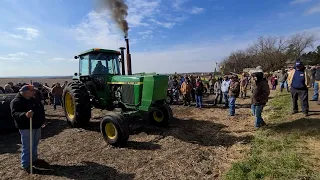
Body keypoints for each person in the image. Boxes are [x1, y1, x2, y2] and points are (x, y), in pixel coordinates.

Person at [10, 85, 47, 173]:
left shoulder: (32, 99)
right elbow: (14, 114)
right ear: (25, 91)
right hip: (26, 127)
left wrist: (42, 120)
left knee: (35, 143)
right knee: (27, 146)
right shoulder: (16, 101)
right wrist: (25, 115)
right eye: (32, 91)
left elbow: (40, 110)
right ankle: (26, 164)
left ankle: (34, 159)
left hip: (36, 125)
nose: (34, 92)